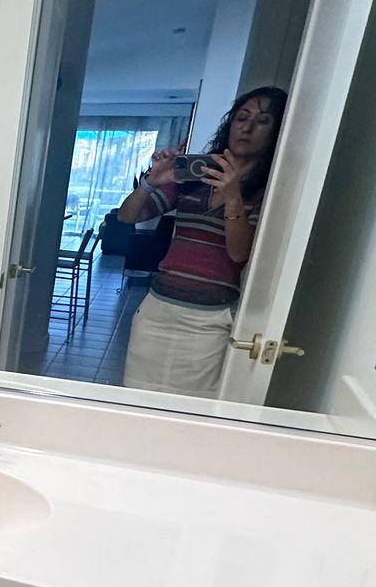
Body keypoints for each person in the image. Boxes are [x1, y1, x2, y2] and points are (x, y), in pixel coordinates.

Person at [116, 86, 287, 396]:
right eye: (241, 117)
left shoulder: (270, 192)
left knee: (193, 409)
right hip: (157, 312)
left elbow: (239, 253)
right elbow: (127, 216)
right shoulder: (194, 179)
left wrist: (233, 197)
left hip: (209, 323)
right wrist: (151, 182)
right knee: (136, 400)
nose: (247, 127)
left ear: (276, 132)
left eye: (262, 121)